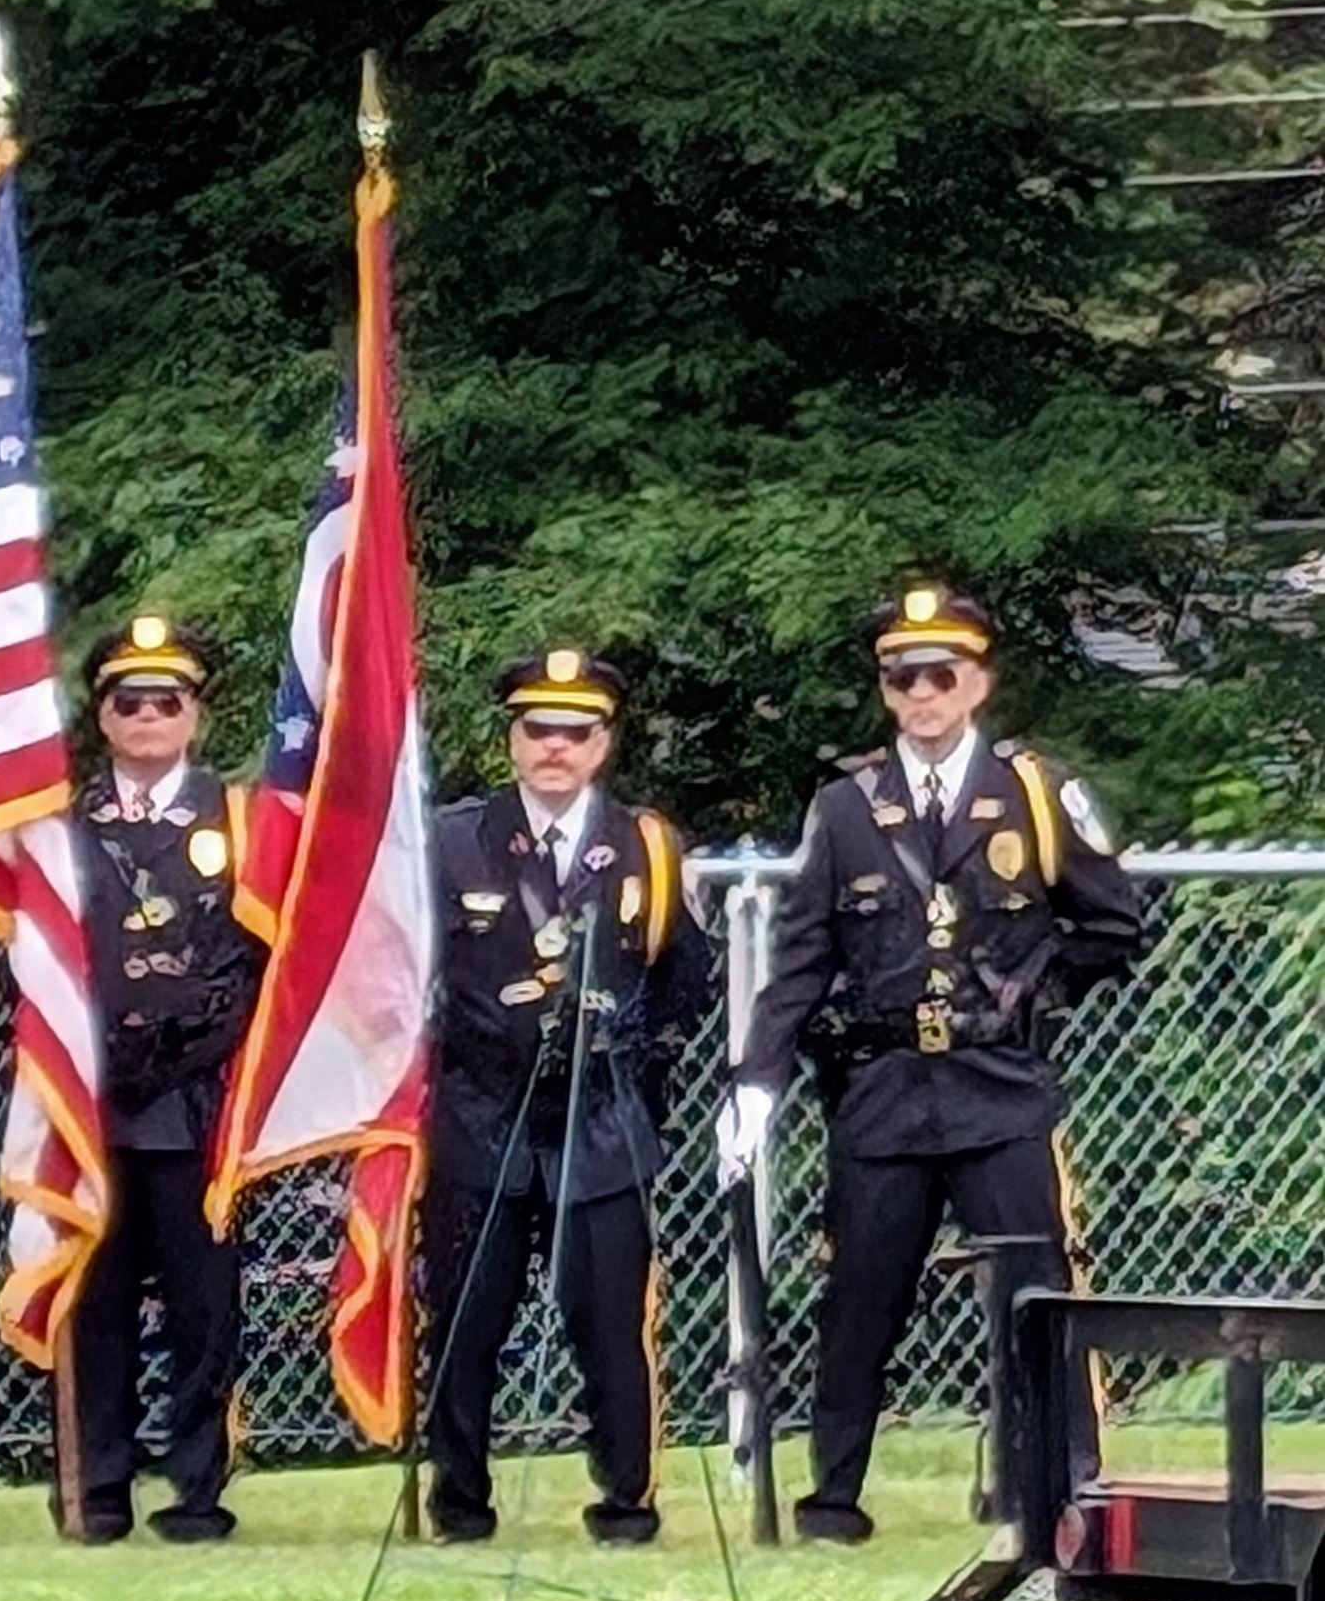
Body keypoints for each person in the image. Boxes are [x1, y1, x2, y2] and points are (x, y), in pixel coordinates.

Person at [716, 583, 1145, 1542]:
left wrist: (1038, 987)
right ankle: (834, 1495)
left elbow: (1115, 924)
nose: (920, 693)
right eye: (900, 677)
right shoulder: (844, 807)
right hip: (883, 1092)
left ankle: (1059, 1484)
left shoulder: (1032, 793)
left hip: (998, 1090)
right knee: (859, 1300)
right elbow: (798, 963)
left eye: (938, 675)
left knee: (1036, 1295)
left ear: (977, 681)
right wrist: (755, 1080)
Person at [422, 648, 711, 1545]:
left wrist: (638, 1069)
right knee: (466, 1327)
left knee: (610, 1326)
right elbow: (402, 977)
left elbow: (687, 981)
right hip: (480, 1115)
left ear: (602, 742)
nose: (554, 747)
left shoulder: (645, 846)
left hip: (599, 1123)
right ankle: (460, 1504)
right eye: (536, 729)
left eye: (574, 732)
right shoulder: (452, 839)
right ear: (511, 738)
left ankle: (626, 1501)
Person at [61, 614, 264, 1543]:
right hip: (92, 1109)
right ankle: (97, 1490)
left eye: (165, 700)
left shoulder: (245, 822)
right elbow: (24, 970)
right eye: (127, 700)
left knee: (202, 1311)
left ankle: (195, 1492)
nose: (147, 716)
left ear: (196, 714)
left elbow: (271, 964)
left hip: (201, 1105)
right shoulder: (60, 829)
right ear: (102, 716)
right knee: (94, 1306)